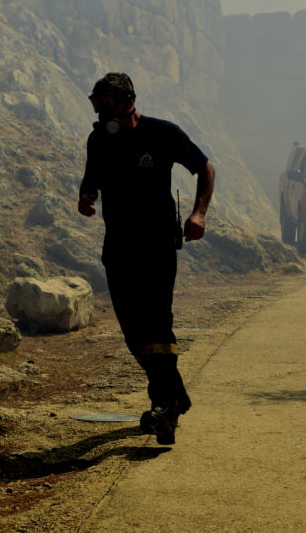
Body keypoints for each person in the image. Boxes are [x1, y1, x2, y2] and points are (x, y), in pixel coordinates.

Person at [78, 72, 215, 445]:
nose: (100, 110)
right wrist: (86, 197)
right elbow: (92, 180)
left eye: (105, 103)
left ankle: (164, 409)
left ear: (128, 101)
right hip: (118, 248)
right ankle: (176, 394)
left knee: (156, 323)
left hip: (156, 244)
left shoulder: (163, 134)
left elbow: (205, 168)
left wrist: (199, 213)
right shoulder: (98, 140)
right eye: (96, 104)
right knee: (133, 332)